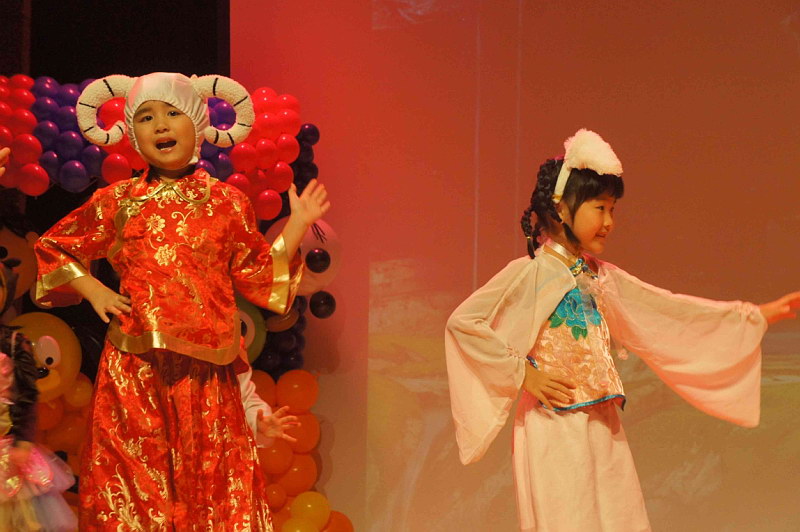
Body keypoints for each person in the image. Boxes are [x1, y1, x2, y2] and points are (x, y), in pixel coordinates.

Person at [444, 129, 800, 531]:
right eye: (600, 208)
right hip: (554, 426)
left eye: (612, 209)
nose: (609, 222)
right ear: (561, 209)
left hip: (603, 422)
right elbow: (464, 324)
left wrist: (754, 316)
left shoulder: (600, 277)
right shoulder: (532, 272)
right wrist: (523, 373)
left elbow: (666, 311)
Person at [34, 72, 329, 530]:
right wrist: (94, 289)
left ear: (197, 122)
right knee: (136, 495)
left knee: (211, 494)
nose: (160, 125)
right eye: (146, 117)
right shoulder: (119, 200)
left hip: (207, 376)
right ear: (133, 134)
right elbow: (55, 247)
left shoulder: (227, 202)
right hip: (136, 370)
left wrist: (296, 225)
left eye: (172, 113)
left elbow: (257, 275)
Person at [0, 325, 77, 532]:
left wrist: (23, 440)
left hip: (8, 451)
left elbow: (27, 396)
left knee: (18, 519)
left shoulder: (14, 343)